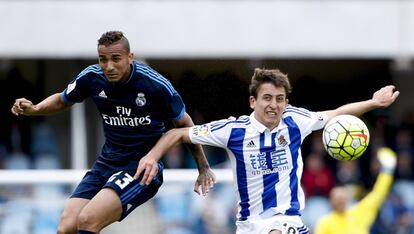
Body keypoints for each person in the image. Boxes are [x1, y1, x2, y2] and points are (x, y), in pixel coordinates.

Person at [135, 68, 400, 234]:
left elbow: (336, 113)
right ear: (253, 101)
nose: (274, 105)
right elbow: (178, 133)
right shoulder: (234, 130)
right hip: (250, 225)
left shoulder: (296, 120)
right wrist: (152, 156)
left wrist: (374, 102)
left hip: (288, 221)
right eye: (267, 98)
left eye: (280, 99)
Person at [10, 31, 215, 234]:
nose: (109, 66)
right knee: (66, 227)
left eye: (116, 59)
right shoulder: (92, 77)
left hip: (140, 169)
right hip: (106, 164)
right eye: (103, 59)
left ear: (130, 57)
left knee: (88, 220)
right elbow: (63, 99)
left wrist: (203, 167)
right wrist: (35, 109)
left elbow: (185, 124)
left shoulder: (155, 84)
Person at [314, 147, 397, 234]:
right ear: (331, 201)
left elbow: (378, 193)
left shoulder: (360, 212)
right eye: (337, 199)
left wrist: (387, 170)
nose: (340, 201)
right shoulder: (325, 222)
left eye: (342, 198)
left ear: (347, 199)